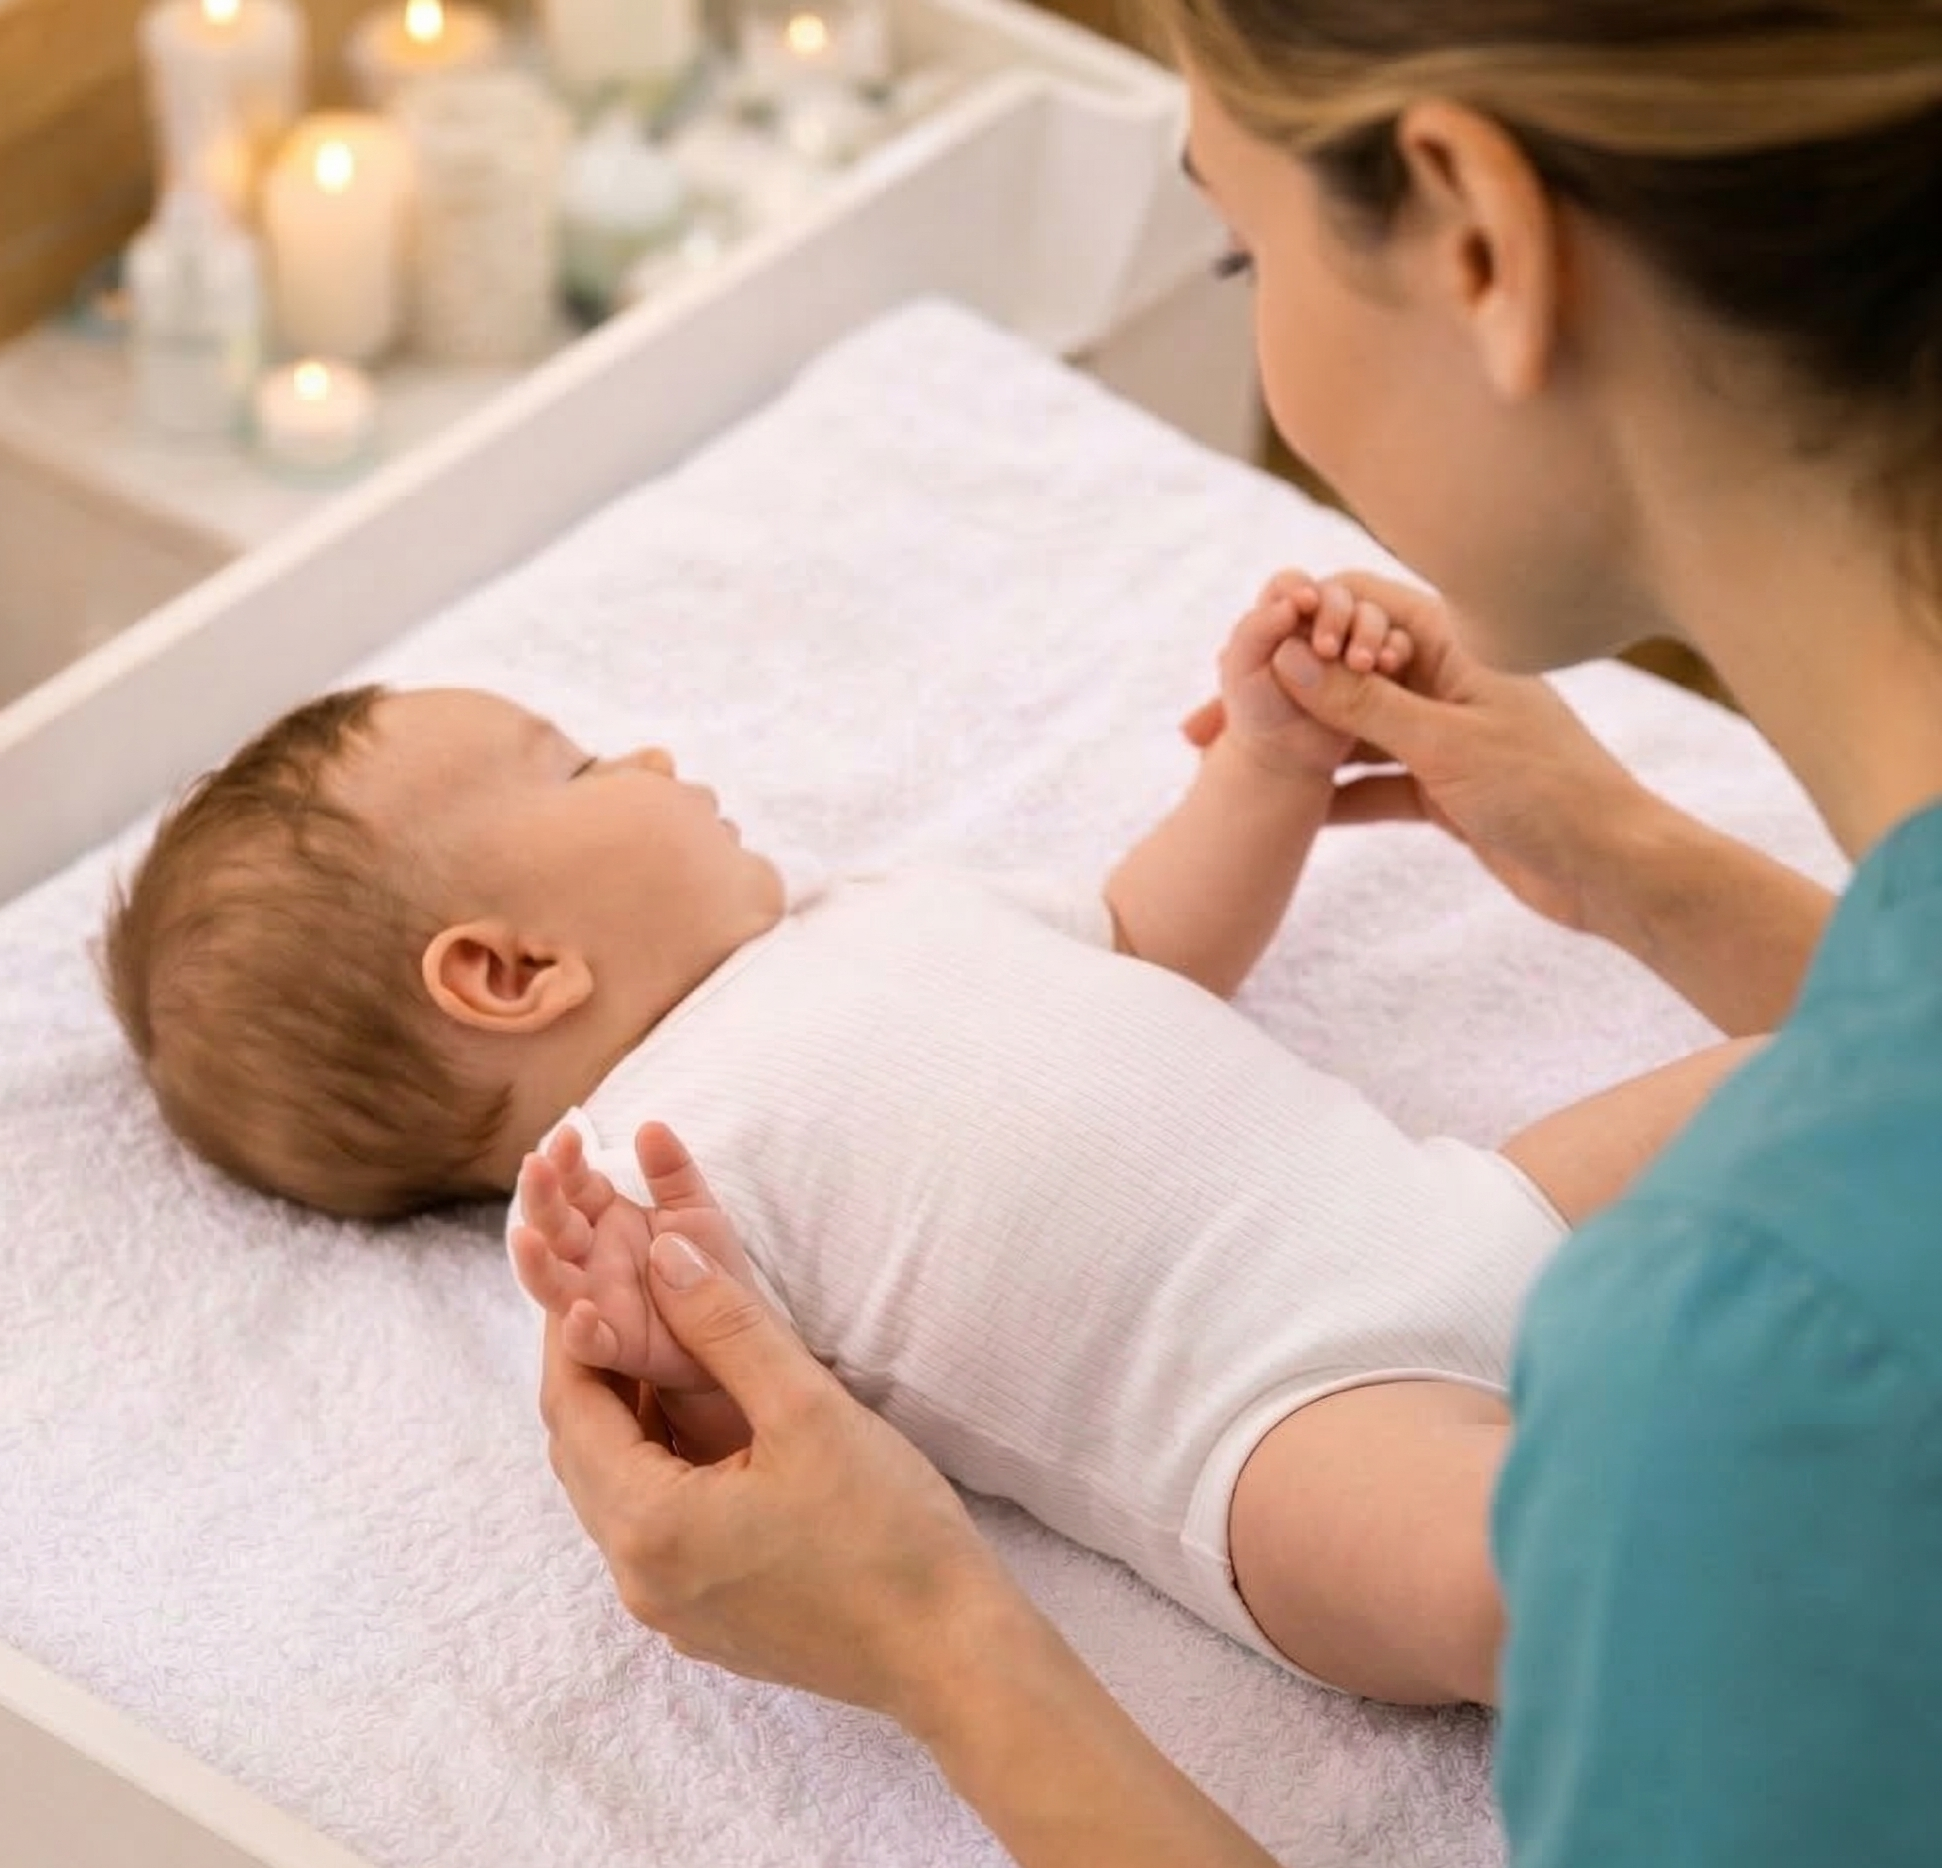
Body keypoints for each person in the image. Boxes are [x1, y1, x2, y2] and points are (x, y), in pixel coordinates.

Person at [534, 3, 1942, 1865]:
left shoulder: (1736, 1398)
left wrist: (934, 1642)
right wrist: (1625, 858)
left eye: (1237, 243)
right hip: (1306, 1375)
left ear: (1474, 242)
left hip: (1433, 1259)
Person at [101, 570, 1739, 1707]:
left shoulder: (864, 905)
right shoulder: (631, 1184)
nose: (659, 758)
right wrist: (645, 1350)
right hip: (1280, 1429)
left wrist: (1268, 758)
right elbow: (761, 1451)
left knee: (1822, 1077)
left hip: (1469, 1205)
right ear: (512, 971)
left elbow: (1148, 931)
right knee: (1532, 1587)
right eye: (583, 763)